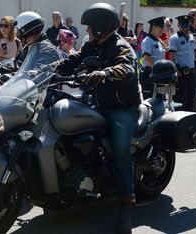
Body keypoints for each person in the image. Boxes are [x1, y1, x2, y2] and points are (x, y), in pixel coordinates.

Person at [58, 3, 141, 233]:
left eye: (89, 27)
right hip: (96, 103)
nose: (86, 32)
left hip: (121, 108)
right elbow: (71, 61)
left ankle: (126, 207)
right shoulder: (92, 46)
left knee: (121, 148)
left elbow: (127, 69)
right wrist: (46, 70)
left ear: (100, 27)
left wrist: (105, 73)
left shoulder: (121, 46)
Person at [169, 15, 196, 112]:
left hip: (191, 73)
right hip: (181, 74)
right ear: (179, 25)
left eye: (187, 28)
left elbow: (195, 53)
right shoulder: (174, 39)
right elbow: (172, 57)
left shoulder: (191, 37)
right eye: (183, 28)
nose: (185, 30)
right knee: (180, 101)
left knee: (192, 100)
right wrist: (175, 71)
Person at [140, 16, 166, 99]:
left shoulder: (158, 41)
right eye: (160, 27)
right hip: (150, 75)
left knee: (160, 100)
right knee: (150, 101)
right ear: (154, 26)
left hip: (159, 75)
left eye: (163, 26)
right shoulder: (147, 41)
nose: (162, 29)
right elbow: (147, 58)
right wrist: (158, 69)